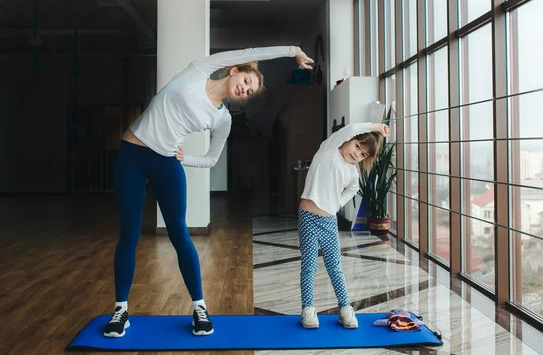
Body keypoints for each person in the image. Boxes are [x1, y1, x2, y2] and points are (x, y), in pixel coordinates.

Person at [103, 46, 314, 338]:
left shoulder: (222, 119)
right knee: (129, 233)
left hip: (166, 162)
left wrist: (183, 159)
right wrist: (292, 50)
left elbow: (212, 158)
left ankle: (200, 309)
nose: (245, 89)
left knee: (179, 232)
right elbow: (252, 51)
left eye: (250, 91)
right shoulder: (198, 70)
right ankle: (121, 311)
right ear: (235, 70)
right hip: (132, 155)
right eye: (246, 82)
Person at [297, 122, 390, 329]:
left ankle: (345, 308)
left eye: (363, 154)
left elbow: (353, 189)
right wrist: (376, 127)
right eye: (357, 146)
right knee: (309, 266)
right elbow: (352, 128)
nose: (358, 155)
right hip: (308, 218)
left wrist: (336, 203)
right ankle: (308, 309)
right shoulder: (329, 149)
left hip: (329, 221)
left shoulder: (352, 172)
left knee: (335, 267)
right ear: (348, 139)